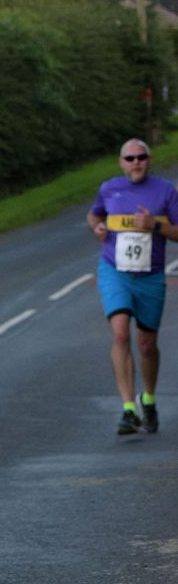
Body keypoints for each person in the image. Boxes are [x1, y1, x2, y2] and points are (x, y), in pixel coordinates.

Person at [87, 139, 178, 437]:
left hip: (150, 277)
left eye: (141, 157)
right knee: (121, 331)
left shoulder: (165, 191)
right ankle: (128, 409)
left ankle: (148, 399)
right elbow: (94, 215)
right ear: (121, 162)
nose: (136, 162)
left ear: (149, 160)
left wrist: (155, 225)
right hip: (115, 271)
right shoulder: (109, 188)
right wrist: (97, 227)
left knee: (147, 344)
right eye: (130, 158)